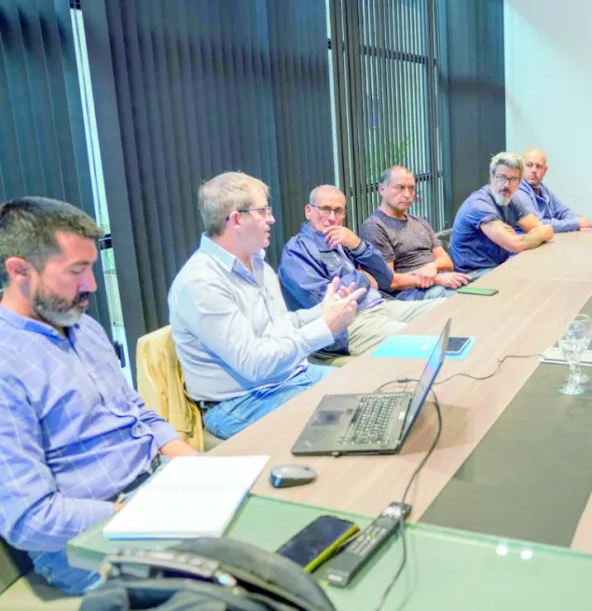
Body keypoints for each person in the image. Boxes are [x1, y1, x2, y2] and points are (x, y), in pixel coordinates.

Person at [0, 197, 198, 595]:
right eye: (76, 271)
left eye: (91, 267)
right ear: (20, 270)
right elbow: (29, 518)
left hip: (155, 488)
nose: (91, 285)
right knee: (231, 585)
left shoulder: (83, 327)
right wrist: (136, 513)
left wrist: (192, 461)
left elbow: (134, 410)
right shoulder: (7, 364)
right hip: (89, 536)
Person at [169, 173, 364, 440]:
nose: (271, 219)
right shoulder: (201, 283)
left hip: (287, 378)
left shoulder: (258, 264)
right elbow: (254, 364)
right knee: (348, 424)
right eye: (263, 211)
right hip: (241, 402)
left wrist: (326, 310)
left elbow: (280, 326)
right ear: (237, 219)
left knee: (370, 386)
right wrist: (325, 327)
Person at [280, 184, 442, 356]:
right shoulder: (296, 251)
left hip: (380, 305)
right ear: (308, 211)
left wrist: (358, 245)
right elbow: (327, 303)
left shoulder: (345, 240)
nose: (332, 218)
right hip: (348, 324)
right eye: (325, 209)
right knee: (416, 339)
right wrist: (362, 278)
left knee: (444, 309)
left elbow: (386, 279)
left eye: (338, 211)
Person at [360, 166, 470, 300]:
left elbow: (447, 262)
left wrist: (432, 266)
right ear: (382, 189)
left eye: (411, 188)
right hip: (411, 292)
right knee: (467, 300)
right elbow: (390, 282)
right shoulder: (374, 227)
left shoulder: (419, 222)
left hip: (442, 281)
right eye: (400, 187)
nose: (407, 194)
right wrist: (435, 279)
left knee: (483, 288)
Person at [449, 152, 554, 275]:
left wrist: (526, 237)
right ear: (491, 177)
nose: (506, 185)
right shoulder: (479, 204)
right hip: (473, 275)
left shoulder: (512, 200)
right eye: (501, 177)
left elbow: (538, 227)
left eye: (513, 179)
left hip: (497, 267)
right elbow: (515, 244)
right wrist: (538, 235)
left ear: (519, 183)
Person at [515, 148, 592, 233]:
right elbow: (538, 224)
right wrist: (576, 223)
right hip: (526, 240)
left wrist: (581, 219)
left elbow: (563, 211)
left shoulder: (544, 190)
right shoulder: (518, 191)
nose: (534, 170)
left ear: (545, 171)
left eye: (538, 166)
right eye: (529, 165)